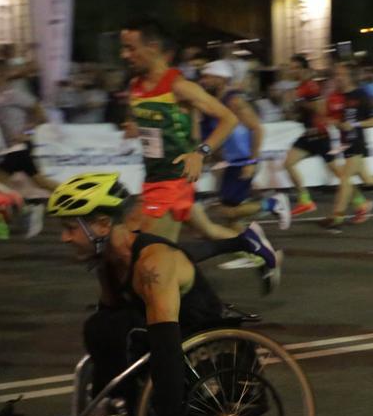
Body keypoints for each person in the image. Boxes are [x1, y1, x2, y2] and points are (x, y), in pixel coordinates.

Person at [48, 173, 227, 416]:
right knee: (100, 326)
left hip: (192, 329)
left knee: (127, 332)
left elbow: (166, 345)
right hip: (150, 326)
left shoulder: (152, 263)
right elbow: (107, 316)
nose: (64, 238)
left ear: (103, 225)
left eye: (70, 228)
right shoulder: (108, 261)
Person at [120, 18, 280, 293]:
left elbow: (227, 118)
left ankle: (184, 315)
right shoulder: (135, 86)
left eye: (131, 48)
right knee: (204, 230)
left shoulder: (178, 86)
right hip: (153, 179)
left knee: (149, 253)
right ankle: (251, 243)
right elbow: (152, 122)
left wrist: (200, 151)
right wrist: (136, 127)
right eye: (123, 48)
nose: (125, 55)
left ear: (153, 47)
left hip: (174, 180)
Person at [196, 61, 290, 257]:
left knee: (225, 212)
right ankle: (253, 255)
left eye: (208, 77)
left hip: (243, 162)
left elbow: (257, 128)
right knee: (230, 219)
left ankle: (273, 203)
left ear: (221, 78)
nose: (203, 81)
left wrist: (251, 161)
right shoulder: (216, 101)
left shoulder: (234, 101)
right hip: (232, 163)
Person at [0, 58, 56, 240]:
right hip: (12, 149)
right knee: (41, 182)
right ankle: (32, 208)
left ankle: (6, 223)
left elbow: (41, 115)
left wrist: (26, 132)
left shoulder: (16, 94)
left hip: (20, 147)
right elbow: (2, 118)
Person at [321, 61, 373, 230]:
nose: (337, 77)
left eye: (340, 74)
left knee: (345, 178)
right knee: (369, 180)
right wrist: (333, 121)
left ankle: (337, 215)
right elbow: (333, 118)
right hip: (344, 143)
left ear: (349, 76)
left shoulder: (361, 94)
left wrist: (354, 125)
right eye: (336, 74)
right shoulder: (338, 96)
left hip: (357, 143)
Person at [278, 55, 329, 217]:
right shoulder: (300, 87)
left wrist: (299, 102)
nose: (292, 71)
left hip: (319, 134)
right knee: (288, 163)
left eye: (295, 68)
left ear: (304, 69)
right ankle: (305, 200)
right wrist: (291, 111)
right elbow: (301, 112)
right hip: (308, 135)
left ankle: (360, 201)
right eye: (291, 68)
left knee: (340, 173)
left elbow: (320, 110)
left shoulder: (311, 86)